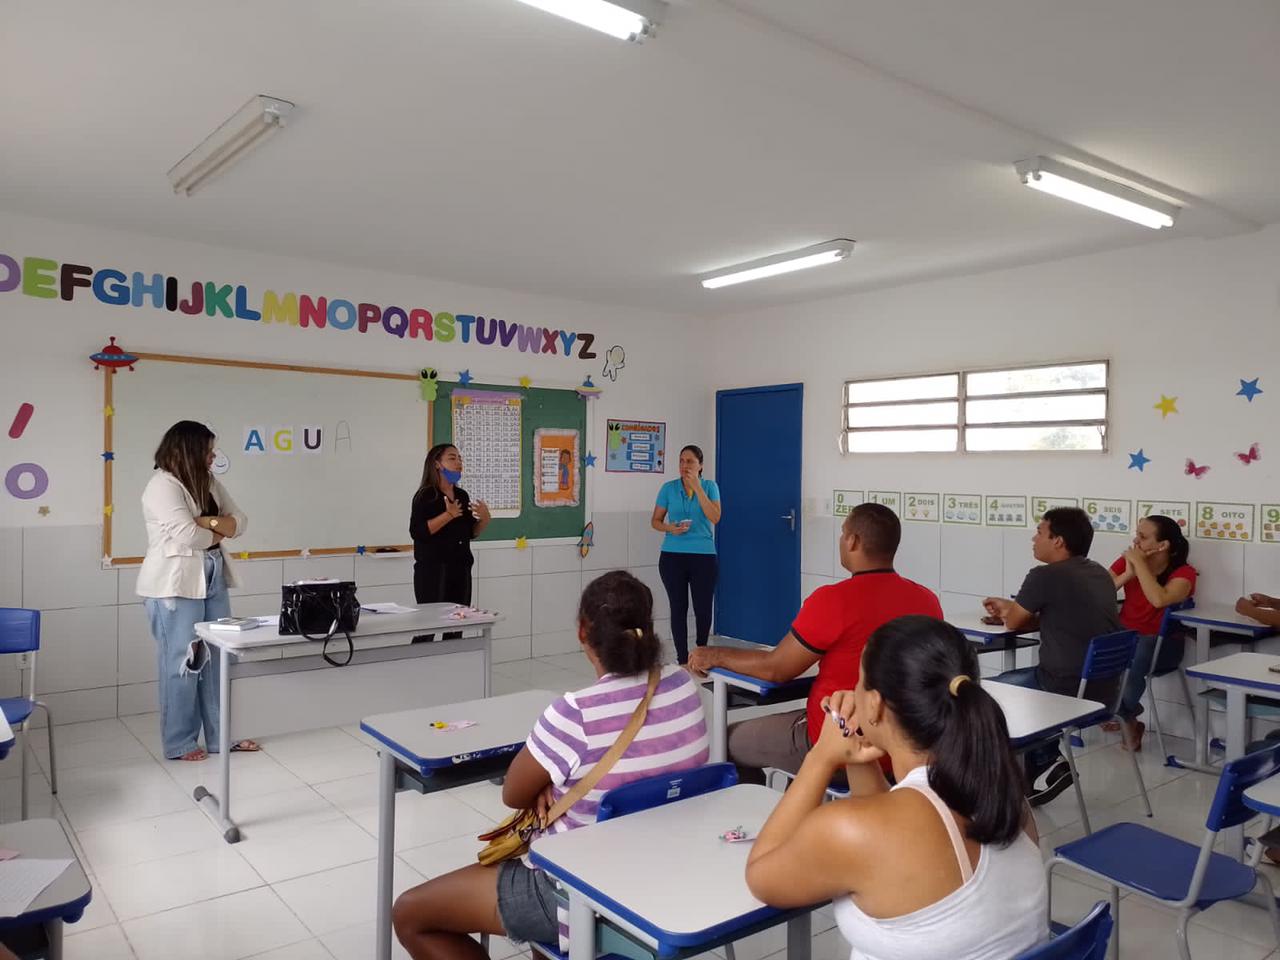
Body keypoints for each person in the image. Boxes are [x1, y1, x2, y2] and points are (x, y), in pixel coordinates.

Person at [392, 570, 709, 960]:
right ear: (648, 628)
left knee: (410, 913)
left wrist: (550, 780)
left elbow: (513, 793)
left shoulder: (575, 713)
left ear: (582, 632)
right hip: (666, 879)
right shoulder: (683, 687)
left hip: (576, 894)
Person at [745, 615, 1047, 960]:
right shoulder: (1002, 793)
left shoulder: (848, 829)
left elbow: (762, 877)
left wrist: (820, 758)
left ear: (875, 704)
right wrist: (857, 750)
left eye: (859, 682)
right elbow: (890, 829)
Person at [688, 502, 942, 785]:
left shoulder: (834, 599)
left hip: (837, 741)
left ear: (853, 541)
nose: (841, 540)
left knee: (726, 741)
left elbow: (776, 669)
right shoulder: (927, 601)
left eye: (843, 533)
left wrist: (715, 655)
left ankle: (782, 808)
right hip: (903, 749)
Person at [136, 420, 258, 761]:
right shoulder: (162, 485)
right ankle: (180, 742)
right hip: (173, 585)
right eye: (208, 450)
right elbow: (189, 536)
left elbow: (240, 522)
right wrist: (218, 528)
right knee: (183, 662)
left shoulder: (208, 482)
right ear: (189, 450)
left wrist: (208, 522)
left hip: (212, 574)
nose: (213, 456)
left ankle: (222, 737)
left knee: (219, 657)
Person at [983, 507, 1121, 805]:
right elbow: (1057, 617)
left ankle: (1043, 763)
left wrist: (1010, 610)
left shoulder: (1044, 576)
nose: (1034, 539)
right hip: (1106, 689)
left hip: (1063, 687)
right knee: (1013, 687)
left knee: (983, 695)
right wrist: (1014, 608)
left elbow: (1015, 623)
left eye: (1039, 532)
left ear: (1058, 541)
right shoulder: (1099, 572)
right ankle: (1040, 769)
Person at [1104, 516, 1195, 750]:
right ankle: (1126, 716)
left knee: (1140, 648)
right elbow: (1099, 592)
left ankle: (1117, 713)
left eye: (1143, 537)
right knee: (1093, 648)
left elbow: (1159, 599)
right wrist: (1128, 574)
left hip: (1163, 647)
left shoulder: (1184, 573)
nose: (1136, 541)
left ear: (1162, 545)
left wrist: (1140, 565)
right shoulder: (1127, 563)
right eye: (1137, 535)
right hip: (1126, 639)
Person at [652, 444, 722, 664]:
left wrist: (698, 488)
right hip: (672, 556)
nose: (684, 465)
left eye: (690, 461)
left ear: (700, 465)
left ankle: (701, 653)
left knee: (703, 608)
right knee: (678, 608)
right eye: (681, 461)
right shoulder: (668, 488)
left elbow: (715, 517)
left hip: (703, 556)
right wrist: (669, 528)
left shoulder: (710, 487)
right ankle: (682, 658)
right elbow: (655, 521)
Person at [410, 443, 491, 606]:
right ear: (437, 464)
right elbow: (418, 532)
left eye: (460, 459)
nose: (458, 463)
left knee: (459, 618)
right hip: (433, 572)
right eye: (452, 458)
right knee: (432, 620)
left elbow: (471, 533)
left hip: (461, 568)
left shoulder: (462, 495)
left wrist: (485, 519)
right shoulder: (426, 495)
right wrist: (448, 515)